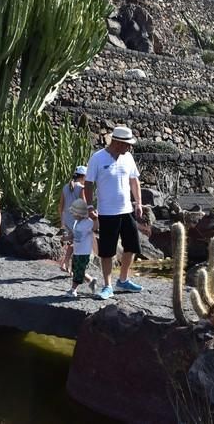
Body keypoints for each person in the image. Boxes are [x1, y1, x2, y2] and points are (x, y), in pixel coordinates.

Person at [85, 125, 144, 300]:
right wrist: (89, 207)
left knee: (132, 245)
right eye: (128, 144)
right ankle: (107, 285)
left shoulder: (128, 158)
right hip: (107, 212)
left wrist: (139, 202)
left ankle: (123, 279)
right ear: (118, 142)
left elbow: (134, 181)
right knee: (107, 251)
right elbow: (89, 184)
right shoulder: (97, 158)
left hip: (126, 210)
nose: (129, 147)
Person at [64, 199, 99, 297]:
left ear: (80, 214)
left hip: (84, 252)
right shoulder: (77, 222)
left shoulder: (88, 222)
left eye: (74, 213)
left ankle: (73, 290)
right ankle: (91, 280)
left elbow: (95, 228)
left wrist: (95, 219)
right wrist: (65, 238)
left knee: (78, 271)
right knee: (77, 270)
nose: (73, 215)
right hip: (77, 251)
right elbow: (74, 235)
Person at [57, 165, 88, 274]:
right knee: (77, 243)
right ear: (83, 176)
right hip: (77, 220)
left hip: (67, 219)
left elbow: (60, 206)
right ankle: (70, 266)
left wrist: (62, 221)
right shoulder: (81, 188)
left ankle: (65, 263)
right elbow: (84, 204)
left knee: (72, 242)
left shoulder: (66, 187)